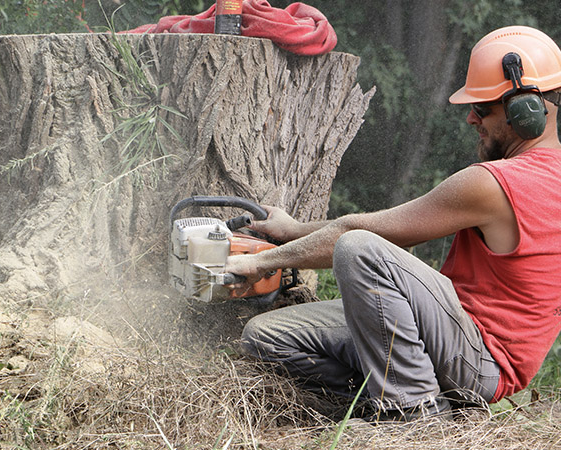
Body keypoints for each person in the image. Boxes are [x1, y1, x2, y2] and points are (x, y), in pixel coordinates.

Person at [224, 25, 561, 421]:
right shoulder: (539, 177)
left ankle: (413, 416)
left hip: (478, 358)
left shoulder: (492, 183)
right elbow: (386, 227)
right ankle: (416, 401)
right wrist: (293, 230)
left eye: (483, 108)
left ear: (526, 109)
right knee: (266, 337)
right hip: (455, 343)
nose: (472, 118)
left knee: (359, 248)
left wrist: (257, 263)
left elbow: (360, 237)